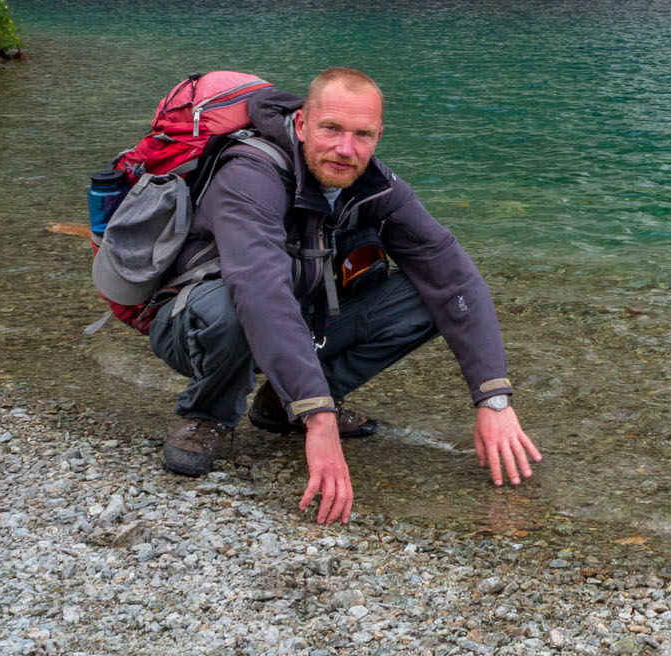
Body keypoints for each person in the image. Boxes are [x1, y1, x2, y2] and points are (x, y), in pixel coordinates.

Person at [145, 67, 539, 522]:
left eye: (362, 135)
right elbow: (260, 291)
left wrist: (493, 398)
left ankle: (284, 404)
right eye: (331, 128)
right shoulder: (251, 175)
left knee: (428, 292)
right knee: (235, 306)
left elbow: (453, 274)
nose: (345, 149)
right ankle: (208, 414)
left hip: (291, 318)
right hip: (194, 320)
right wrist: (321, 419)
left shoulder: (374, 186)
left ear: (378, 136)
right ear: (301, 124)